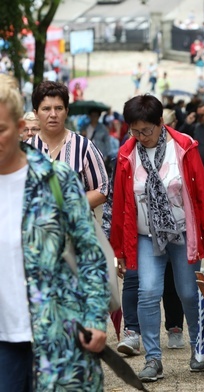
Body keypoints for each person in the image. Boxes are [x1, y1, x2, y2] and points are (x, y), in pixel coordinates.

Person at [0, 78, 109, 390]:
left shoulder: (55, 180)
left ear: (20, 126)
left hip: (58, 332)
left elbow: (90, 253)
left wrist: (94, 317)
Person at [109, 94, 204, 381]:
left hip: (182, 233)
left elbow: (200, 191)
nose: (141, 136)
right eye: (135, 130)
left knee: (187, 292)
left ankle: (199, 346)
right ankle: (153, 359)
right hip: (145, 236)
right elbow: (121, 202)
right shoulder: (126, 154)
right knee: (148, 292)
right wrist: (119, 248)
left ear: (161, 124)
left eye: (147, 130)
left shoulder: (182, 147)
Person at [29, 81, 109, 210]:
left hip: (76, 226)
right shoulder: (25, 150)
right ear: (36, 113)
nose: (53, 114)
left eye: (59, 108)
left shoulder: (84, 147)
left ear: (66, 111)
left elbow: (103, 189)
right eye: (46, 109)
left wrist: (68, 204)